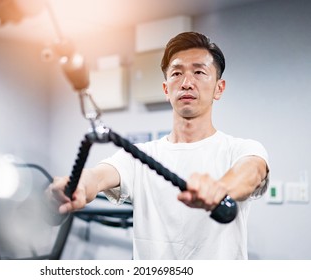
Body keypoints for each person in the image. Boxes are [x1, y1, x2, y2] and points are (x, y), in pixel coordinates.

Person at [48, 31, 269, 260]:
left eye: (199, 72)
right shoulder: (140, 156)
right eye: (176, 73)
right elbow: (98, 176)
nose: (186, 83)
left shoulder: (241, 149)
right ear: (166, 90)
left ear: (219, 88)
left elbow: (252, 171)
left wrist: (221, 188)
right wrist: (76, 185)